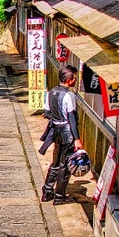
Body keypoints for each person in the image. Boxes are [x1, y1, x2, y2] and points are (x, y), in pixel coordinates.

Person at [40, 65, 83, 203]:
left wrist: (55, 116)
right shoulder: (69, 95)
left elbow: (46, 112)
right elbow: (72, 119)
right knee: (65, 164)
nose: (76, 80)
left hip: (55, 131)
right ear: (69, 80)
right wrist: (77, 139)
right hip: (67, 132)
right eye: (75, 78)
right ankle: (59, 196)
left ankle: (47, 191)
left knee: (56, 162)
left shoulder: (51, 92)